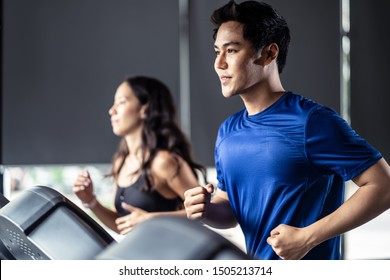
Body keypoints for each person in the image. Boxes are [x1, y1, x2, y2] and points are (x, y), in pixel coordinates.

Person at [183, 0, 390, 260]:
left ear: (269, 53)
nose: (219, 63)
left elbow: (383, 185)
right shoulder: (227, 131)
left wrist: (308, 237)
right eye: (217, 52)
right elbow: (231, 210)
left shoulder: (312, 121)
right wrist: (206, 210)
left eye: (232, 51)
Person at [73, 76, 206, 235]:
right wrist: (90, 201)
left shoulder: (164, 162)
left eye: (121, 102)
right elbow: (122, 225)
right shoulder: (120, 162)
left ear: (145, 109)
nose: (112, 110)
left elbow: (204, 211)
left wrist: (151, 219)